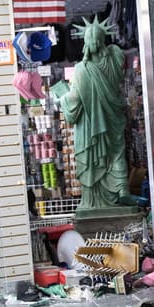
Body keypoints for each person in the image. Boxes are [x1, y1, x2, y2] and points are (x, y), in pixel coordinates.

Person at [50, 15, 130, 215]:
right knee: (115, 154)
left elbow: (74, 101)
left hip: (89, 127)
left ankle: (95, 201)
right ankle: (121, 189)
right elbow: (118, 63)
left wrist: (61, 99)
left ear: (86, 43)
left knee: (96, 158)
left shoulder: (82, 70)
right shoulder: (113, 61)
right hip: (113, 120)